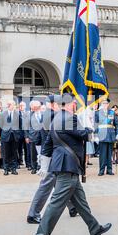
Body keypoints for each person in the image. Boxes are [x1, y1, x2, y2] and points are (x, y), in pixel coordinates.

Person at [33, 94, 112, 235]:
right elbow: (83, 134)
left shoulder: (55, 118)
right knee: (56, 203)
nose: (75, 105)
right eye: (74, 103)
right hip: (67, 166)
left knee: (80, 202)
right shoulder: (70, 118)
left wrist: (44, 165)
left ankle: (94, 228)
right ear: (69, 104)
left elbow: (48, 144)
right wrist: (91, 127)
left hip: (63, 165)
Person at [27, 95, 77, 224]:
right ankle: (33, 214)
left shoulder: (49, 114)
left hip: (52, 154)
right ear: (54, 104)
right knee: (48, 184)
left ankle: (73, 207)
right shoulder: (52, 115)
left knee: (63, 183)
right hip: (53, 155)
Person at [95, 98, 118, 176]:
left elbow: (116, 124)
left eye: (106, 103)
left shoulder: (112, 112)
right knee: (102, 154)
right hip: (102, 135)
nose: (105, 105)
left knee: (109, 154)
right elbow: (95, 125)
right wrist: (95, 135)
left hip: (110, 135)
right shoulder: (97, 113)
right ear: (101, 104)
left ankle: (109, 170)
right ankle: (101, 170)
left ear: (108, 104)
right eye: (103, 103)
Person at [0, 100, 21, 175]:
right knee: (5, 153)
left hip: (14, 136)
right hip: (5, 136)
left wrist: (18, 134)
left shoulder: (17, 114)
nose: (10, 106)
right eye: (9, 104)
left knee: (14, 153)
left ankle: (13, 168)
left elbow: (20, 125)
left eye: (11, 104)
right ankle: (6, 168)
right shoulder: (3, 114)